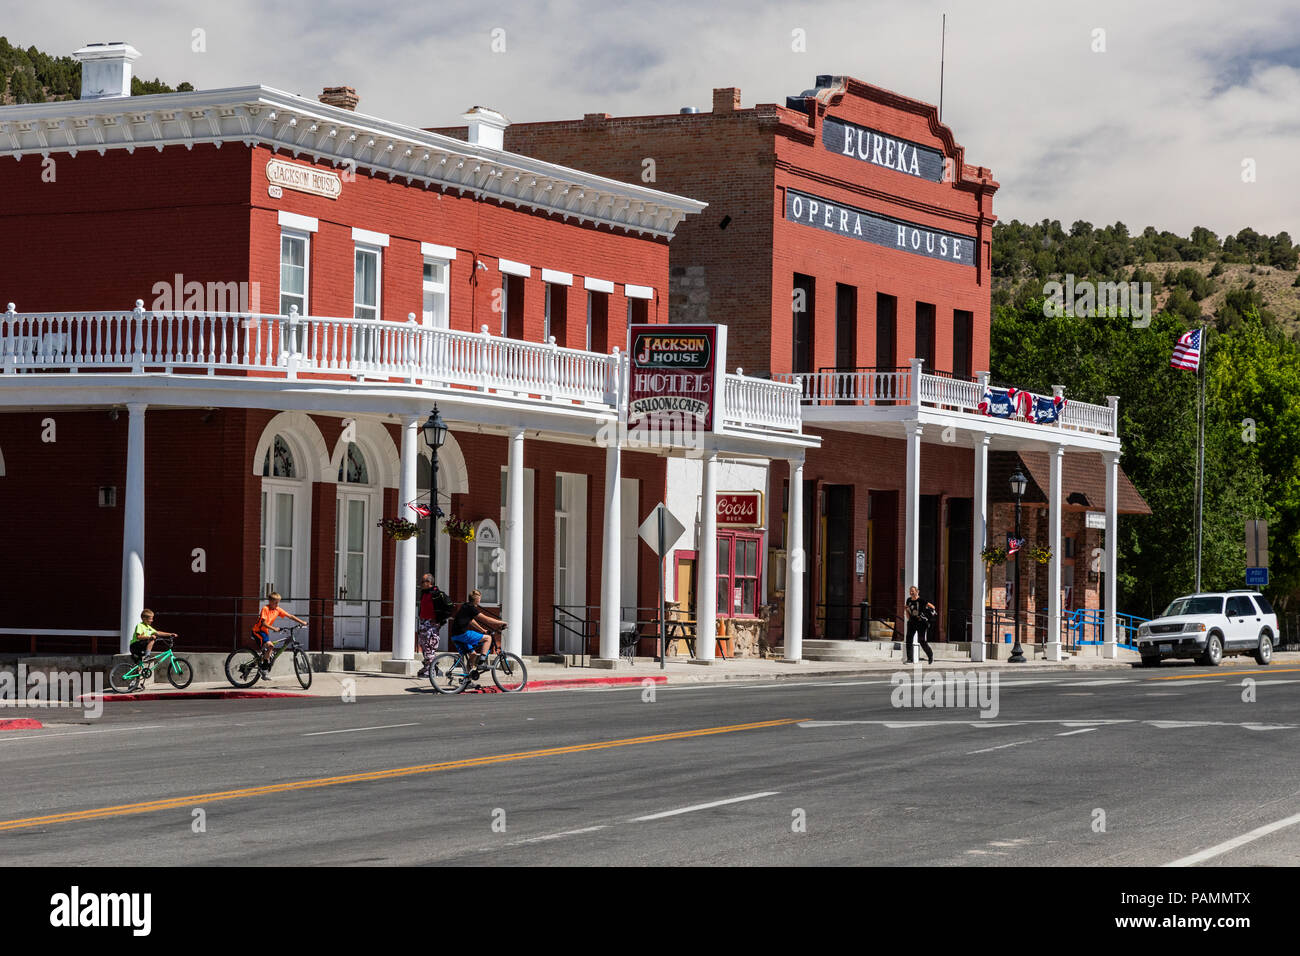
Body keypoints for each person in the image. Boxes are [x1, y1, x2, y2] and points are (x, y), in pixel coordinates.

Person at [449, 589, 507, 671]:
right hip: (463, 634)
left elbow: (471, 620)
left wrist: (482, 630)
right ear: (477, 599)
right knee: (488, 638)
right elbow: (486, 619)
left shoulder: (465, 606)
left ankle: (467, 679)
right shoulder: (472, 608)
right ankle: (481, 663)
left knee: (473, 655)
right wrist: (500, 622)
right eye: (480, 598)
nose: (480, 600)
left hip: (455, 636)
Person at [253, 592, 306, 672]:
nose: (277, 604)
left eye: (278, 602)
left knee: (268, 650)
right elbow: (263, 624)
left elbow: (290, 616)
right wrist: (274, 628)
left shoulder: (277, 609)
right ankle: (264, 670)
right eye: (275, 602)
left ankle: (263, 660)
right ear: (270, 602)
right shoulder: (265, 609)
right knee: (271, 646)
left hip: (265, 632)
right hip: (258, 631)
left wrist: (302, 622)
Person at [416, 574, 454, 678]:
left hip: (432, 624)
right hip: (424, 623)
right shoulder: (424, 594)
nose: (421, 584)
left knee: (430, 646)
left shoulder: (437, 594)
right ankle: (432, 667)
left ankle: (431, 670)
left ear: (429, 582)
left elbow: (450, 606)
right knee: (423, 645)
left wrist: (440, 620)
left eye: (423, 581)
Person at [904, 585, 935, 665]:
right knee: (909, 640)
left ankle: (930, 655)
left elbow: (932, 606)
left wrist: (927, 612)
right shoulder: (908, 600)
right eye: (910, 591)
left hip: (921, 622)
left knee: (921, 640)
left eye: (913, 591)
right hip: (911, 622)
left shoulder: (921, 600)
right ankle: (909, 659)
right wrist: (906, 610)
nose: (911, 593)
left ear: (917, 592)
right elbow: (908, 614)